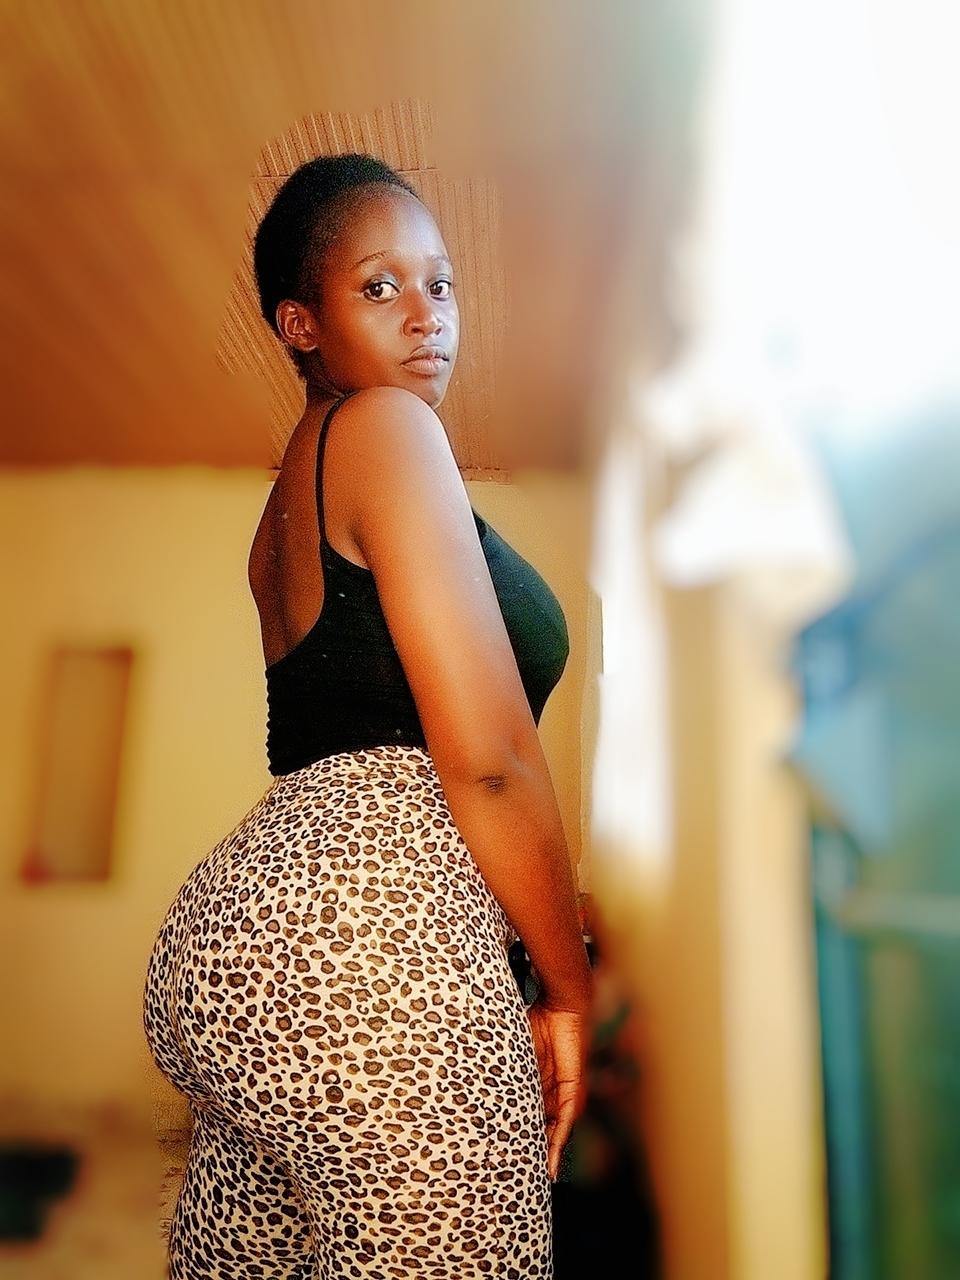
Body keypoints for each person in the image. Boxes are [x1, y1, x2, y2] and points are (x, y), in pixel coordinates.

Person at [142, 152, 593, 1279]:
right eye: (379, 286)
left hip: (233, 953)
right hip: (376, 954)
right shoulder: (390, 428)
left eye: (440, 284)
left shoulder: (281, 514)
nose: (426, 315)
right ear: (301, 324)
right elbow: (488, 760)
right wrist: (568, 982)